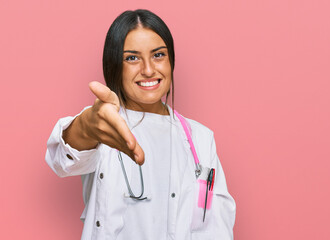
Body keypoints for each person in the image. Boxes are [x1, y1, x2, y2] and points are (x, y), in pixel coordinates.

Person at [45, 9, 236, 240]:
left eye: (158, 55)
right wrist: (85, 127)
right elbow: (62, 159)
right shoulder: (105, 123)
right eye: (132, 58)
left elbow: (217, 229)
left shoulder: (201, 139)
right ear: (114, 65)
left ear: (171, 60)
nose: (148, 69)